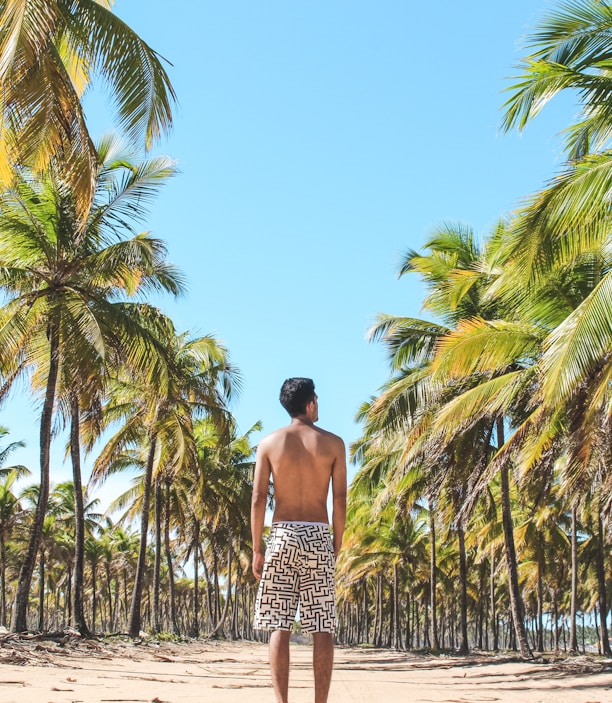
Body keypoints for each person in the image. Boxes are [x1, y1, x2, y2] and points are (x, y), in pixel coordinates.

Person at [251, 377, 347, 703]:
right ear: (309, 404)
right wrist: (337, 539)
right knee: (322, 626)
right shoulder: (334, 444)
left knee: (280, 623)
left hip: (282, 536)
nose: (318, 404)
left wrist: (256, 548)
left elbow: (258, 498)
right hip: (318, 534)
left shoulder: (269, 444)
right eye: (317, 399)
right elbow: (341, 499)